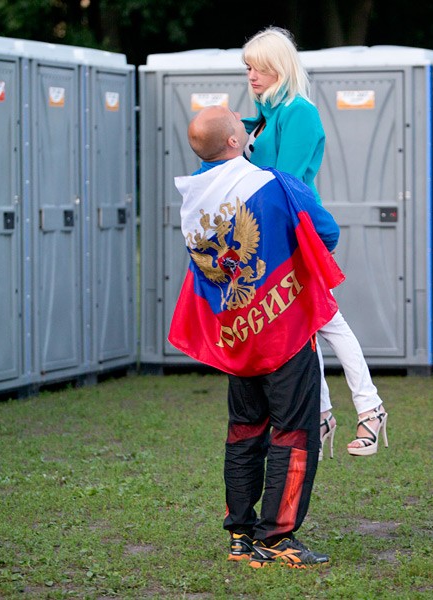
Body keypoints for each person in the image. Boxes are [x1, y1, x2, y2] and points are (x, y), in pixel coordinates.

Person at [169, 105, 344, 568]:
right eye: (237, 121)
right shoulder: (273, 184)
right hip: (284, 329)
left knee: (245, 431)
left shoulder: (194, 200)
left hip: (238, 334)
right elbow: (327, 234)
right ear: (234, 142)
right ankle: (277, 537)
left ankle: (240, 535)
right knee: (293, 432)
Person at [240, 26, 389, 458]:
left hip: (297, 233)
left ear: (279, 66)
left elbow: (286, 183)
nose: (251, 75)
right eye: (247, 67)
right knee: (306, 326)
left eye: (258, 67)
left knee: (327, 322)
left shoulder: (298, 112)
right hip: (276, 235)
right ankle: (328, 414)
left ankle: (369, 409)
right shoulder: (266, 114)